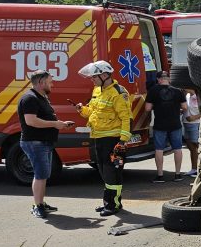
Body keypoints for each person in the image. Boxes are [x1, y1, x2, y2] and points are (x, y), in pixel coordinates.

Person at [76, 60, 131, 217]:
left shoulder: (119, 92)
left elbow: (126, 118)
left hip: (112, 140)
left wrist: (122, 141)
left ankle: (113, 205)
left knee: (111, 173)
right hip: (98, 138)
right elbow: (93, 112)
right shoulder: (97, 90)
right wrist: (82, 110)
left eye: (94, 76)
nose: (91, 79)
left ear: (105, 75)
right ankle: (110, 202)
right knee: (104, 173)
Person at [17, 70, 74, 219]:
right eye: (50, 81)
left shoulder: (42, 97)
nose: (52, 84)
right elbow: (31, 121)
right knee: (40, 175)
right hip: (35, 142)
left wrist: (60, 124)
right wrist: (56, 124)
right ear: (41, 82)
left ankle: (41, 203)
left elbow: (43, 118)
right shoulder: (30, 98)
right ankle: (37, 206)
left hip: (43, 142)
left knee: (43, 175)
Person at [144, 71, 187, 183]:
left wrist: (157, 106)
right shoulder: (177, 91)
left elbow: (147, 108)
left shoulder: (153, 90)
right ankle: (177, 174)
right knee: (177, 148)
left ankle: (160, 175)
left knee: (159, 149)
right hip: (175, 124)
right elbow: (185, 107)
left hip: (160, 124)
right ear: (169, 78)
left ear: (158, 79)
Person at [182, 87, 201, 177]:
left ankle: (200, 168)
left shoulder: (198, 97)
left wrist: (194, 117)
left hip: (195, 124)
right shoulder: (187, 96)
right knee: (191, 147)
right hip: (186, 123)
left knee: (197, 146)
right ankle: (194, 169)